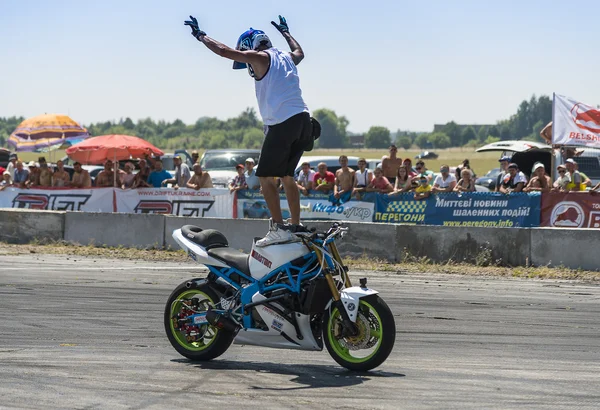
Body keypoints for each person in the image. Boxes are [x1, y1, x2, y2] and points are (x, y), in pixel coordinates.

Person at [185, 14, 312, 246]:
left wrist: (201, 36)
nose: (249, 68)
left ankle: (278, 228)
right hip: (304, 120)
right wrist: (286, 32)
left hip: (282, 122)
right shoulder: (286, 58)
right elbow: (299, 52)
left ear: (250, 48)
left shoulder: (260, 57)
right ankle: (296, 224)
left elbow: (224, 51)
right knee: (286, 176)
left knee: (264, 176)